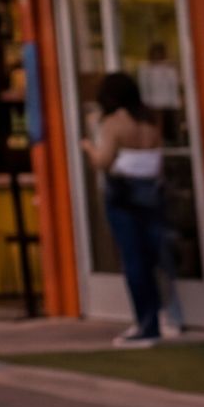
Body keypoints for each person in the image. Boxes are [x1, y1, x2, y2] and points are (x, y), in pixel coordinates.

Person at [85, 69, 170, 348]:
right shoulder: (150, 120)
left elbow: (104, 161)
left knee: (133, 260)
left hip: (123, 196)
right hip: (151, 194)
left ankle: (145, 323)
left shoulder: (114, 123)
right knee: (151, 257)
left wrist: (88, 147)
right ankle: (161, 317)